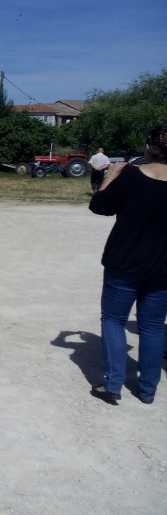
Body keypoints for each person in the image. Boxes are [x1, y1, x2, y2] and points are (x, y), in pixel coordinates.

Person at [88, 125, 167, 405]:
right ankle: (147, 390)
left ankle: (113, 384)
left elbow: (99, 206)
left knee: (114, 320)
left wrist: (110, 176)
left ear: (148, 146)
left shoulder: (132, 176)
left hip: (124, 262)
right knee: (154, 327)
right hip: (162, 268)